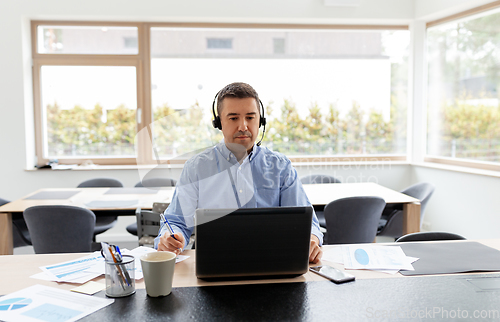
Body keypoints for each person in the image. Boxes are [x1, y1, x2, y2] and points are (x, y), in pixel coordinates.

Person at [155, 82, 323, 263]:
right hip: (215, 265)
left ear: (261, 121)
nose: (243, 126)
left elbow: (307, 224)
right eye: (233, 118)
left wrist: (312, 239)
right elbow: (176, 222)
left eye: (250, 118)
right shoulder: (196, 168)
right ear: (219, 123)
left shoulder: (281, 167)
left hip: (273, 264)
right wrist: (170, 237)